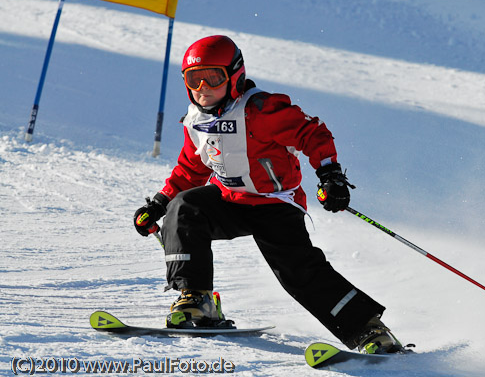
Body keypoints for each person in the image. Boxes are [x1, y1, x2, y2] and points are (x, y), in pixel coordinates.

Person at [134, 35, 404, 354]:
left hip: (275, 204)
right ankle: (197, 300)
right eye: (194, 79)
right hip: (229, 202)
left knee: (297, 272)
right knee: (185, 209)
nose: (203, 87)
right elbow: (190, 169)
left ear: (235, 76)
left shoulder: (263, 109)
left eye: (213, 77)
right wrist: (159, 203)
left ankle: (369, 331)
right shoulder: (196, 121)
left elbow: (312, 133)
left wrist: (330, 175)